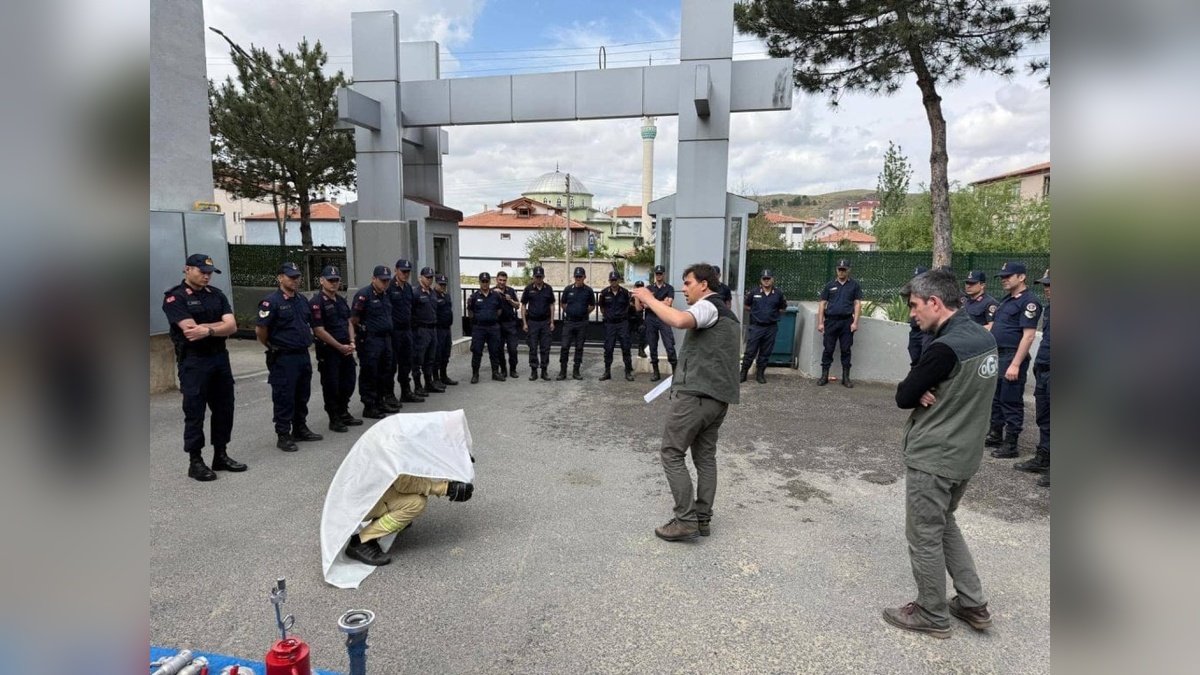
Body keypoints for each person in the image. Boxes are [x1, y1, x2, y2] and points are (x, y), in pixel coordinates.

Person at [882, 267, 997, 639]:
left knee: (924, 535)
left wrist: (921, 389)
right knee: (944, 523)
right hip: (965, 455)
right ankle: (973, 603)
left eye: (915, 306)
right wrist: (930, 389)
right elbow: (963, 388)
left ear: (934, 302)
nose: (912, 314)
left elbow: (903, 396)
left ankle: (931, 613)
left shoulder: (943, 349)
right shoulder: (984, 338)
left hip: (935, 456)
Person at [631, 263, 740, 542]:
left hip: (696, 396)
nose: (683, 288)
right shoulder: (728, 314)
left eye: (688, 282)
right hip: (718, 399)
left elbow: (679, 320)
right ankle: (702, 519)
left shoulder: (708, 306)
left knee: (671, 452)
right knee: (705, 458)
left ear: (704, 285)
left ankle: (686, 520)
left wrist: (649, 299)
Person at [162, 253, 244, 481]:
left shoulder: (216, 295)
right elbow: (190, 331)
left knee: (224, 408)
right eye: (202, 271)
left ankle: (221, 455)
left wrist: (207, 329)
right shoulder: (175, 298)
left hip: (219, 359)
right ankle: (195, 462)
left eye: (209, 273)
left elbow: (232, 326)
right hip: (194, 362)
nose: (207, 276)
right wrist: (219, 326)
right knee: (195, 412)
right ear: (187, 269)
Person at [256, 262, 322, 452]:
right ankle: (283, 434)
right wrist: (272, 346)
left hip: (302, 355)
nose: (295, 280)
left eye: (297, 277)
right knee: (284, 396)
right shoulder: (271, 302)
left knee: (302, 394)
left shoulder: (301, 300)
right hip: (284, 357)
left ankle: (300, 428)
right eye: (291, 277)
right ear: (280, 278)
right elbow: (261, 330)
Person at [344, 475, 475, 566]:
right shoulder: (398, 445)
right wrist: (446, 488)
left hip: (366, 491)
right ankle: (361, 541)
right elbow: (405, 483)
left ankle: (388, 515)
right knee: (415, 503)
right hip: (359, 502)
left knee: (414, 494)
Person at [985, 262, 1042, 459]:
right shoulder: (1007, 300)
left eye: (1008, 276)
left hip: (1012, 355)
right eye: (1002, 277)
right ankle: (995, 434)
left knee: (1010, 400)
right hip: (998, 355)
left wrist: (1015, 364)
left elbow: (1028, 336)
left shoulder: (1029, 301)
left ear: (1022, 277)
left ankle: (1011, 444)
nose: (1004, 279)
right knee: (996, 398)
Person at [309, 265, 361, 433]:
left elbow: (348, 322)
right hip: (330, 350)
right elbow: (318, 330)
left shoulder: (341, 300)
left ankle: (344, 411)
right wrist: (339, 346)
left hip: (346, 348)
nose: (333, 283)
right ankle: (334, 418)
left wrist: (352, 341)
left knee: (349, 382)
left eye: (336, 280)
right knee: (332, 385)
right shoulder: (316, 303)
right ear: (321, 280)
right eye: (330, 280)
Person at [1015, 269, 1050, 485]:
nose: (1047, 289)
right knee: (1044, 418)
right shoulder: (1050, 308)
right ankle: (1045, 456)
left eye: (1051, 285)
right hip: (1045, 369)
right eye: (1046, 285)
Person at [350, 266, 396, 419]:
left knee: (385, 372)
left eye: (387, 281)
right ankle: (369, 405)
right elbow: (354, 319)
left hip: (385, 339)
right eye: (382, 280)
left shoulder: (385, 295)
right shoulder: (364, 295)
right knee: (370, 373)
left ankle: (380, 401)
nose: (385, 283)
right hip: (370, 340)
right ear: (373, 279)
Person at [816, 258, 863, 388]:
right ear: (836, 270)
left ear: (848, 270)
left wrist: (855, 322)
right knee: (828, 349)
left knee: (846, 350)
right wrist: (820, 323)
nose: (841, 272)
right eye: (839, 269)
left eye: (844, 269)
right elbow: (822, 304)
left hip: (846, 322)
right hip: (831, 321)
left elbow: (857, 304)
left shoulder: (854, 285)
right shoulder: (829, 285)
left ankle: (846, 378)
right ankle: (824, 376)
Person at [385, 258, 423, 406]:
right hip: (394, 332)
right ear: (396, 270)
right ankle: (389, 394)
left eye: (408, 272)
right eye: (403, 271)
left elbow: (411, 309)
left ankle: (405, 391)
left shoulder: (408, 288)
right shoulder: (389, 287)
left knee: (406, 362)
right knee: (392, 364)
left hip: (407, 331)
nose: (405, 274)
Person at [740, 268, 788, 384]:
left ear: (772, 279)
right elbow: (746, 306)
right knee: (750, 351)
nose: (766, 281)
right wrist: (757, 313)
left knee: (765, 352)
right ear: (761, 280)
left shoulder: (778, 294)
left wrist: (771, 314)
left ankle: (760, 374)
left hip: (770, 327)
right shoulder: (754, 292)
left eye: (768, 278)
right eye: (764, 278)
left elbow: (783, 308)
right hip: (756, 327)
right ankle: (743, 373)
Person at [411, 267, 445, 395]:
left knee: (430, 358)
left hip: (432, 329)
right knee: (418, 359)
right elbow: (410, 311)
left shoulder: (433, 293)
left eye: (431, 278)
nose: (429, 280)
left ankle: (428, 382)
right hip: (421, 329)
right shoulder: (415, 293)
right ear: (421, 277)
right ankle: (417, 385)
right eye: (427, 277)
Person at [557, 266, 595, 380]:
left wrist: (584, 313)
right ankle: (563, 371)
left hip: (581, 323)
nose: (578, 278)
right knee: (564, 347)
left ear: (584, 277)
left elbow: (592, 305)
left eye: (580, 276)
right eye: (576, 276)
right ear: (574, 277)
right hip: (569, 322)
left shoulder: (588, 290)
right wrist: (569, 311)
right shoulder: (568, 289)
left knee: (579, 348)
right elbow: (562, 303)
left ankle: (576, 371)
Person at [467, 272, 506, 383]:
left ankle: (495, 373)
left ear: (489, 282)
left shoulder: (496, 295)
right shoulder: (474, 297)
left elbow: (499, 310)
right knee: (477, 351)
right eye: (483, 281)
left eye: (486, 281)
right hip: (479, 328)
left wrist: (491, 318)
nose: (485, 283)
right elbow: (470, 312)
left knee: (495, 351)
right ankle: (475, 374)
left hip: (493, 327)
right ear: (479, 282)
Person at [598, 270, 635, 381]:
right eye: (612, 280)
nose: (613, 282)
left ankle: (628, 371)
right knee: (608, 348)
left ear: (619, 280)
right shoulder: (604, 293)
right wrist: (608, 316)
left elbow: (627, 306)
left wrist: (621, 315)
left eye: (615, 280)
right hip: (610, 324)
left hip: (622, 323)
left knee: (626, 347)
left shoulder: (625, 292)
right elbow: (602, 307)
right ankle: (607, 372)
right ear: (609, 281)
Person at [521, 265, 555, 381]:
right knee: (533, 348)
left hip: (545, 322)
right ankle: (534, 371)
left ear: (543, 276)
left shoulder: (548, 288)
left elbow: (551, 305)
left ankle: (544, 371)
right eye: (537, 276)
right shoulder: (528, 289)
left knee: (545, 348)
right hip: (533, 322)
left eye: (540, 276)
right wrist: (524, 323)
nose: (539, 278)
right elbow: (523, 305)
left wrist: (552, 322)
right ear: (533, 277)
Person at [644, 264, 678, 382]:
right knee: (652, 345)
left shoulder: (669, 288)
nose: (659, 275)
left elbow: (669, 303)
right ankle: (656, 372)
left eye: (660, 273)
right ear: (655, 275)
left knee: (669, 345)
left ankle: (675, 373)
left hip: (664, 318)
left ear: (664, 275)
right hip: (651, 319)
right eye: (657, 273)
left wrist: (652, 302)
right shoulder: (649, 288)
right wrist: (662, 302)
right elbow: (645, 305)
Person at [494, 271, 522, 379]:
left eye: (504, 280)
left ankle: (513, 369)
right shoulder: (492, 291)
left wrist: (510, 300)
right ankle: (503, 370)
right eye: (500, 280)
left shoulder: (510, 291)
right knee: (499, 349)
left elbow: (517, 306)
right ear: (496, 279)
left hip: (510, 323)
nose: (502, 282)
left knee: (513, 349)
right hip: (498, 324)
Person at [433, 274, 459, 387]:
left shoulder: (446, 296)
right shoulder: (433, 296)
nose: (443, 287)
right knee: (437, 354)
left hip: (447, 328)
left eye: (444, 285)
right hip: (438, 329)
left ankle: (443, 375)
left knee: (446, 353)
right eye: (440, 284)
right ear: (436, 283)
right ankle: (435, 378)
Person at [906, 266, 932, 367]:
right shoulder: (912, 294)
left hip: (926, 331)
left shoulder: (932, 294)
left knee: (925, 358)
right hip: (915, 330)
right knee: (914, 355)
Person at [630, 280, 647, 358]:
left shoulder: (645, 298)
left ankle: (641, 349)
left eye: (641, 287)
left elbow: (639, 308)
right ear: (634, 287)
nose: (639, 289)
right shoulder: (629, 296)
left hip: (639, 320)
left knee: (643, 329)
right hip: (629, 319)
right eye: (637, 287)